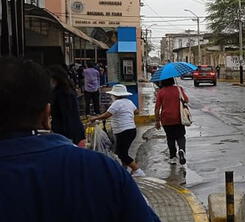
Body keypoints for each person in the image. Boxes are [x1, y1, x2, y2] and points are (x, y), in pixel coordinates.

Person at [0, 57, 159, 222]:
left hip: (123, 131)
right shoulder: (102, 170)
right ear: (46, 115)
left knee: (121, 151)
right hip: (127, 131)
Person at [89, 84, 145, 177]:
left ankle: (137, 170)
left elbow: (107, 115)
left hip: (123, 131)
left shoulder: (116, 103)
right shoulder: (129, 102)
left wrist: (95, 118)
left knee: (121, 153)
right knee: (123, 151)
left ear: (115, 95)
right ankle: (124, 170)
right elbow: (136, 111)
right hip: (131, 130)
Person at [48, 65, 86, 147]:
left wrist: (68, 137)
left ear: (56, 79)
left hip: (67, 135)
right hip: (69, 133)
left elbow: (67, 116)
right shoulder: (66, 90)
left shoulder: (63, 94)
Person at [155, 78, 189, 165]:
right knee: (181, 136)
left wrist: (157, 121)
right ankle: (181, 150)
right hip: (179, 117)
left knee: (170, 138)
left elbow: (157, 108)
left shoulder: (161, 92)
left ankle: (173, 157)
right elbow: (186, 100)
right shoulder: (179, 89)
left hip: (166, 119)